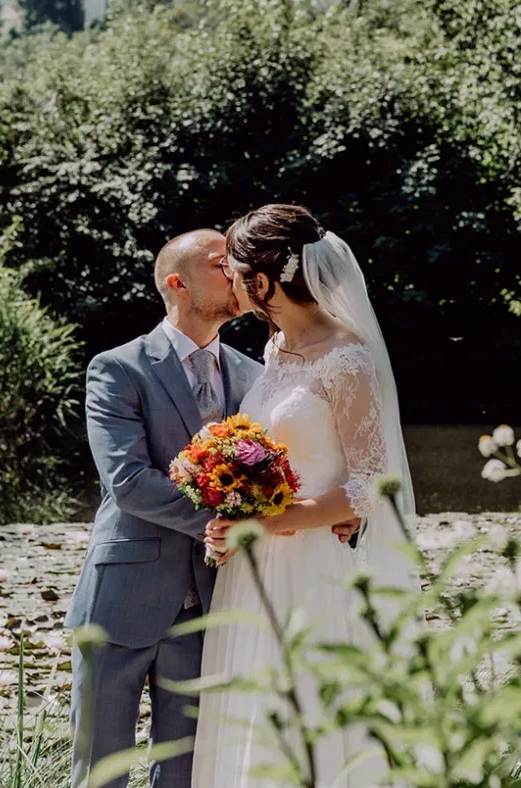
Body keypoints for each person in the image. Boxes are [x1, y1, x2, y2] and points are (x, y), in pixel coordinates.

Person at [65, 225, 362, 788]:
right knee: (98, 773)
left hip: (215, 603)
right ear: (177, 283)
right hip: (124, 596)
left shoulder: (260, 375)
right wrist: (241, 523)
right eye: (218, 263)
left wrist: (330, 507)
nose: (236, 272)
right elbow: (128, 482)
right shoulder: (118, 368)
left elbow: (306, 463)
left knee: (186, 772)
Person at [193, 204, 418, 788]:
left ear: (263, 281)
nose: (227, 278)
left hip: (315, 565)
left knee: (311, 710)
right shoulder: (276, 350)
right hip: (257, 560)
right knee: (256, 706)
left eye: (233, 268)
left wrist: (276, 521)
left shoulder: (346, 358)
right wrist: (236, 506)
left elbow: (374, 484)